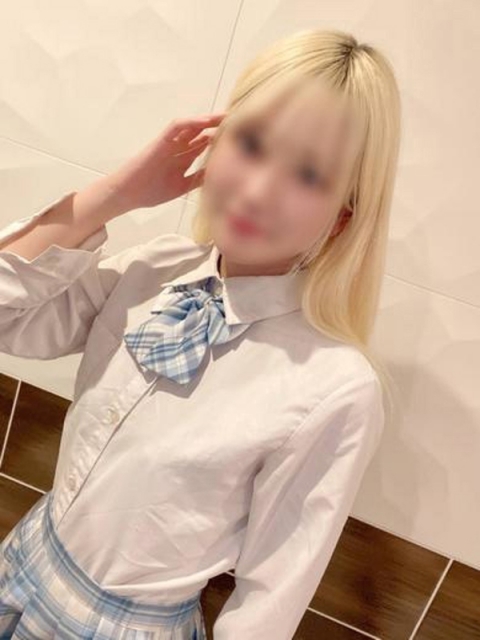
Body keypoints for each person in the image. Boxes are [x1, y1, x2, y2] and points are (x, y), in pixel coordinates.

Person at [0, 27, 401, 640]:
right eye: (252, 143)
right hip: (21, 563)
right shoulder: (155, 268)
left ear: (344, 215)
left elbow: (269, 600)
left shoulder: (335, 388)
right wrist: (116, 194)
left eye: (308, 175)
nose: (257, 191)